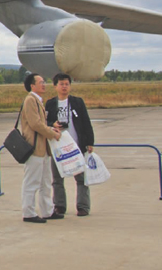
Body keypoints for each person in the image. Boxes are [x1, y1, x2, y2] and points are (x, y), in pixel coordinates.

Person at [45, 73, 95, 217]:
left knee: (81, 178)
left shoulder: (77, 102)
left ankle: (83, 206)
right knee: (57, 179)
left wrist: (90, 142)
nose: (64, 87)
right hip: (58, 146)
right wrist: (51, 124)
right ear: (55, 86)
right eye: (61, 84)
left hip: (76, 145)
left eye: (67, 84)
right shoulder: (50, 103)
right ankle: (59, 205)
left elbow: (86, 122)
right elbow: (44, 122)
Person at [20, 72, 61, 223]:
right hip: (35, 147)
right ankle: (28, 212)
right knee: (32, 182)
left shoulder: (38, 101)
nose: (44, 84)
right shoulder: (30, 100)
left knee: (45, 181)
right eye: (41, 82)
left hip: (43, 148)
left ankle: (47, 211)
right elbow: (35, 124)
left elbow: (40, 124)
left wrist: (51, 129)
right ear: (32, 86)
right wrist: (52, 133)